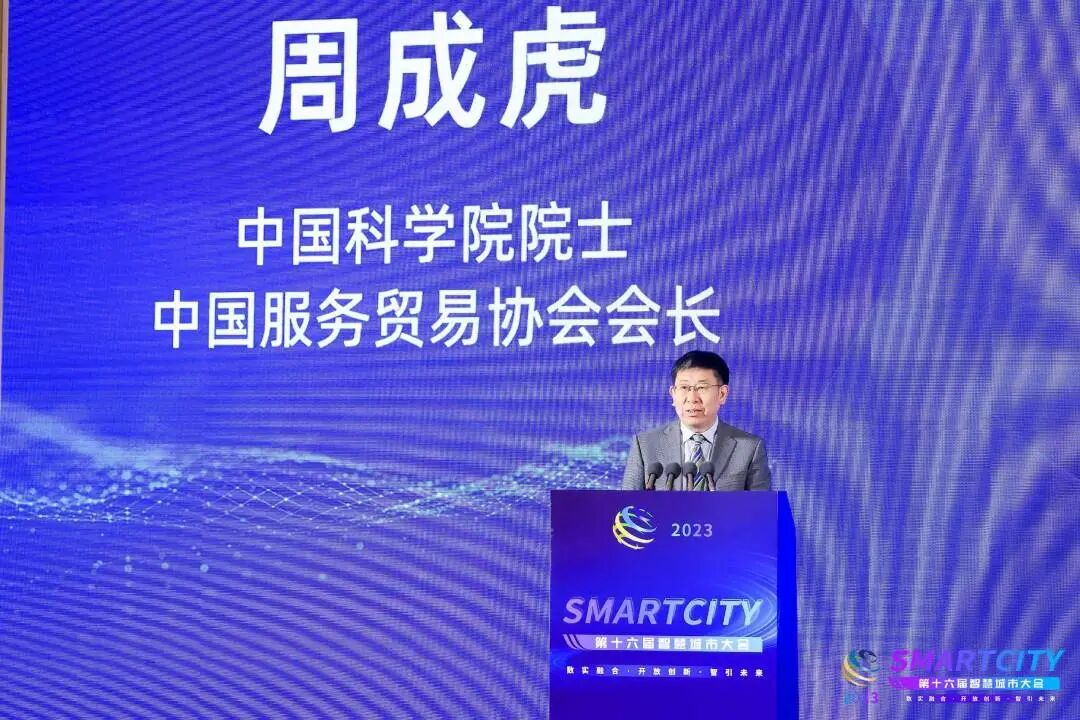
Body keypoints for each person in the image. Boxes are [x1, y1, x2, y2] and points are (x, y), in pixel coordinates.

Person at [622, 350, 771, 490]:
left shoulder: (750, 448)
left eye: (701, 388)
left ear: (722, 394)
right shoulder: (645, 445)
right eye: (684, 387)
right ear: (673, 394)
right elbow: (626, 505)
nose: (692, 398)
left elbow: (761, 506)